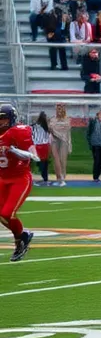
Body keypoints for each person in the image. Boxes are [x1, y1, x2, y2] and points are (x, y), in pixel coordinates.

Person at [0, 104, 36, 261]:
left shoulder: (19, 131)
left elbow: (31, 155)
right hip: (2, 178)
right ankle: (22, 237)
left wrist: (12, 149)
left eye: (4, 119)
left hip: (20, 178)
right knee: (1, 215)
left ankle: (21, 239)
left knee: (7, 213)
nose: (2, 123)